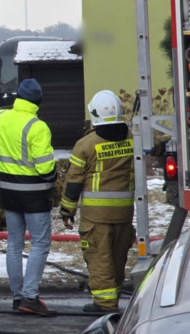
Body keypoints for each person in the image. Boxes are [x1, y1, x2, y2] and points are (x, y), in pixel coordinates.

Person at [0, 78, 56, 317]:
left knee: (14, 244)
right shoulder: (38, 126)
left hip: (9, 192)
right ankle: (30, 297)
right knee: (40, 244)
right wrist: (55, 177)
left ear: (17, 98)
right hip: (34, 195)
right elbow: (45, 168)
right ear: (38, 101)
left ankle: (17, 296)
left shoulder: (2, 118)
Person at [60, 90, 135, 314]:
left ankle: (104, 304)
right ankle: (113, 295)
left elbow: (73, 181)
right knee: (117, 256)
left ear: (93, 114)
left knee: (100, 258)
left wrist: (67, 210)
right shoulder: (133, 138)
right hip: (124, 214)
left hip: (96, 217)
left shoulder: (85, 145)